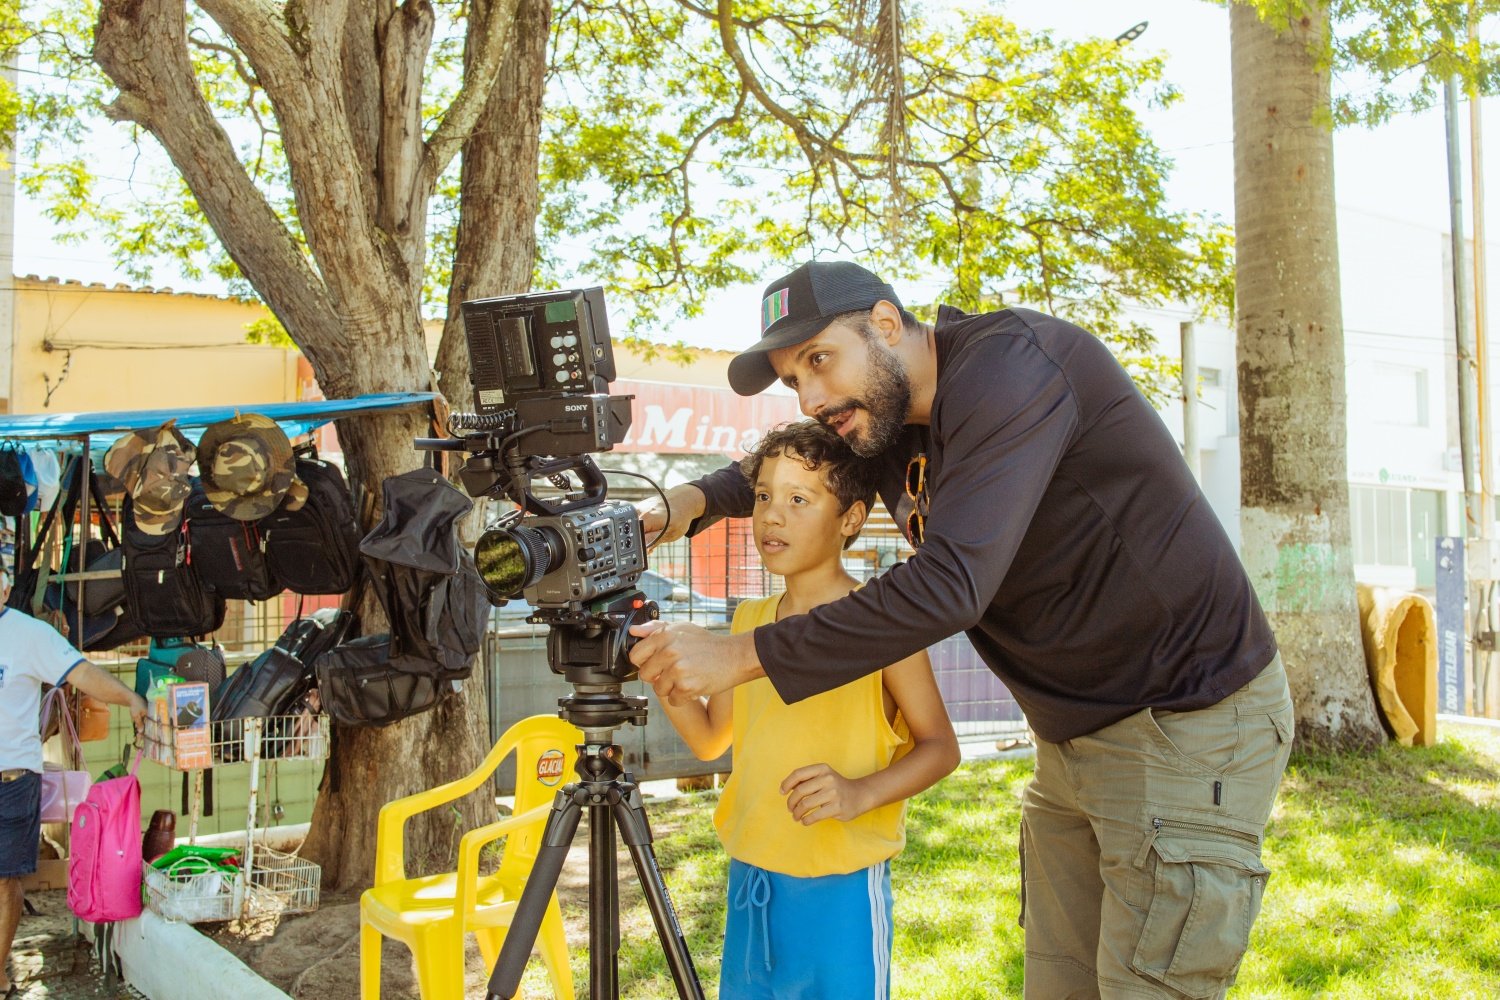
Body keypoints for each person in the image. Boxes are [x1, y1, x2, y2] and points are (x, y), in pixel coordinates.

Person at [629, 260, 1295, 999]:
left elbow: (952, 586)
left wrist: (742, 655)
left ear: (886, 325)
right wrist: (682, 504)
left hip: (1186, 720)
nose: (813, 397)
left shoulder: (1012, 371)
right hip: (1073, 739)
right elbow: (788, 463)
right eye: (794, 380)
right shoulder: (876, 415)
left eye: (819, 360)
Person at [658, 420, 958, 1000]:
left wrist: (858, 794)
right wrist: (663, 671)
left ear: (850, 519)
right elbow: (710, 740)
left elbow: (940, 747)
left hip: (839, 892)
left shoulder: (883, 622)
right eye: (764, 496)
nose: (772, 516)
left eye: (799, 499)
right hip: (752, 881)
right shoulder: (747, 622)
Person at [0, 564, 148, 998]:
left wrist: (130, 698)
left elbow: (81, 674)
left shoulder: (29, 635)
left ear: (6, 587)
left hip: (11, 779)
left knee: (5, 879)